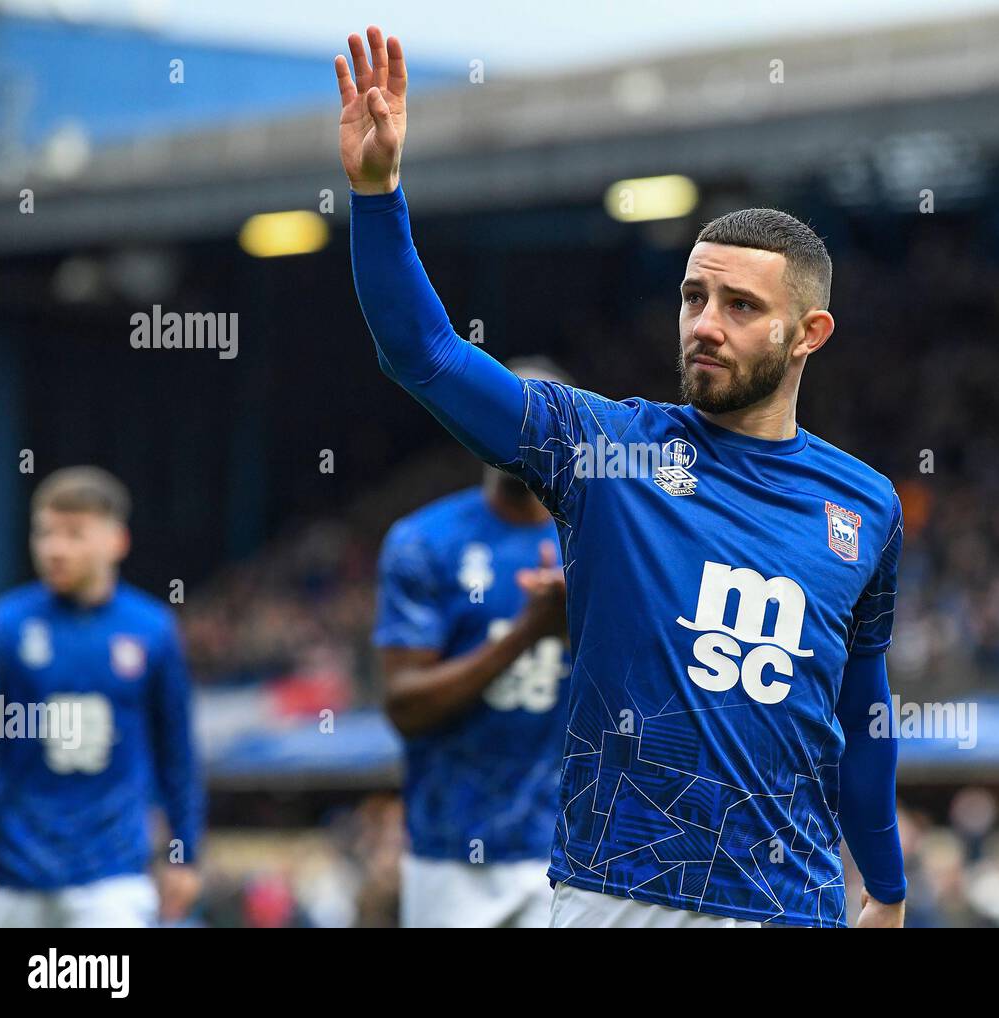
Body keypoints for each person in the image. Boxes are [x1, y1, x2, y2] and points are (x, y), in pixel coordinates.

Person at [337, 26, 905, 928]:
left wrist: (886, 884)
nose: (704, 324)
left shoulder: (867, 506)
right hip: (618, 894)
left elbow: (862, 711)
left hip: (792, 903)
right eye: (693, 297)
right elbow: (425, 353)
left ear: (810, 334)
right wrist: (377, 195)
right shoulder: (606, 449)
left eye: (740, 306)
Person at [375, 358, 572, 928]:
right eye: (506, 414)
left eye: (539, 418)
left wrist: (578, 624)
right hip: (451, 846)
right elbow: (406, 707)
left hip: (570, 849)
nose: (521, 432)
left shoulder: (601, 538)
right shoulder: (423, 542)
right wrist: (528, 633)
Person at [0, 467, 202, 927]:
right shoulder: (4, 624)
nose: (55, 548)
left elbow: (177, 751)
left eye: (74, 534)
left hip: (112, 876)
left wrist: (185, 851)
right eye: (45, 533)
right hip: (14, 869)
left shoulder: (152, 629)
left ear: (116, 541)